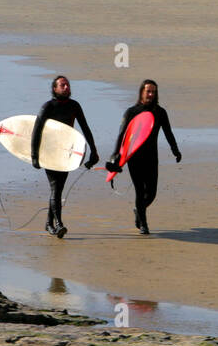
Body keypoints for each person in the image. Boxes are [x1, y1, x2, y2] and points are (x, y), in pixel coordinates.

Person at [107, 79, 181, 235]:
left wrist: (175, 149)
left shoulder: (160, 112)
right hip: (134, 158)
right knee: (140, 191)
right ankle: (143, 224)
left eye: (153, 92)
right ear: (141, 92)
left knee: (152, 193)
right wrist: (115, 154)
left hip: (152, 158)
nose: (151, 94)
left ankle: (138, 210)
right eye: (148, 91)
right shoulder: (131, 112)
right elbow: (122, 135)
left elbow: (168, 133)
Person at [30, 76, 99, 238]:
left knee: (58, 189)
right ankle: (59, 224)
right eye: (62, 85)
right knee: (55, 188)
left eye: (67, 84)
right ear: (55, 89)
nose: (66, 87)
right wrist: (34, 156)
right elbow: (36, 131)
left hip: (66, 152)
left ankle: (48, 224)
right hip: (49, 152)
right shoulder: (47, 107)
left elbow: (85, 128)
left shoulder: (74, 106)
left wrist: (93, 151)